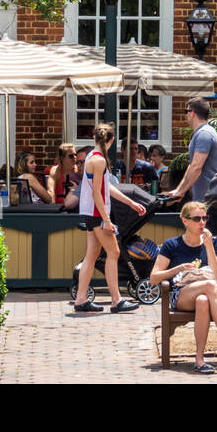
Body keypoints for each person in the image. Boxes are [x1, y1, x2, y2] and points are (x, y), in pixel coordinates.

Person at [149, 201, 217, 373]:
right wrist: (178, 268)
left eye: (205, 218)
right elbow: (153, 278)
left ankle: (199, 360)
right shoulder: (172, 244)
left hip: (206, 295)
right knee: (209, 285)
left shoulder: (213, 242)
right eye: (197, 219)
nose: (202, 222)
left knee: (203, 300)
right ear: (185, 221)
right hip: (180, 295)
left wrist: (208, 247)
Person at [73, 123, 147, 313]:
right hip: (97, 214)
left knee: (92, 254)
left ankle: (81, 299)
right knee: (114, 253)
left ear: (94, 138)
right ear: (112, 141)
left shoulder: (92, 157)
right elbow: (98, 193)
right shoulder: (99, 161)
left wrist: (130, 203)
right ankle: (116, 300)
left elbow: (106, 188)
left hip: (90, 213)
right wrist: (106, 219)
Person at [167, 99, 217, 245]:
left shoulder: (204, 134)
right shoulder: (203, 133)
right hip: (207, 198)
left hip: (210, 198)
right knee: (216, 239)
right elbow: (192, 166)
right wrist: (179, 190)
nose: (186, 116)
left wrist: (180, 191)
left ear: (192, 113)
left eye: (186, 112)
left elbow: (196, 167)